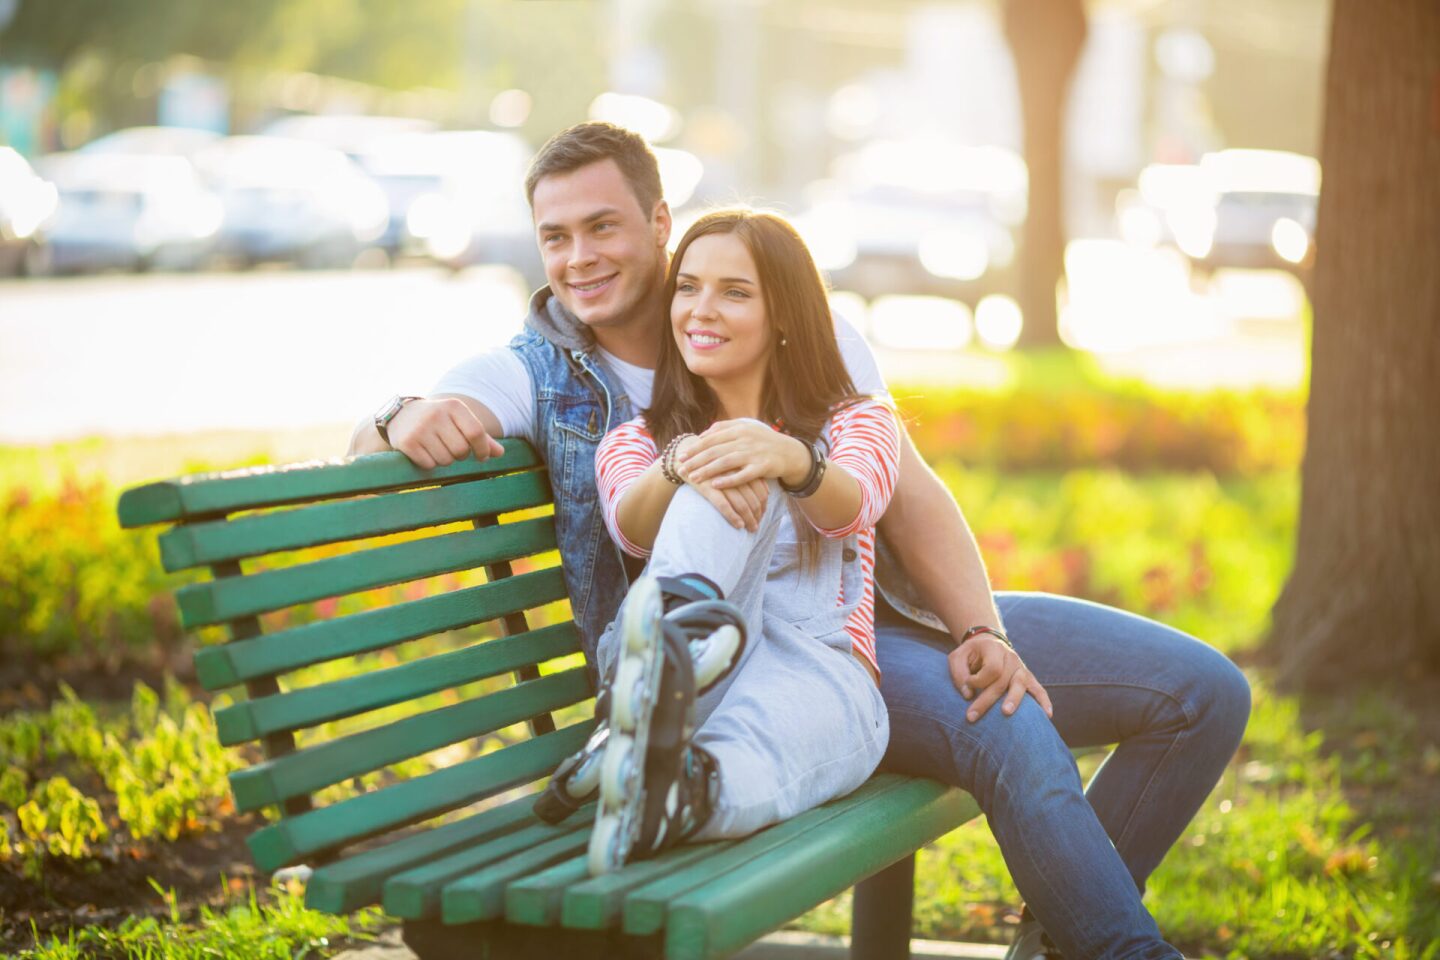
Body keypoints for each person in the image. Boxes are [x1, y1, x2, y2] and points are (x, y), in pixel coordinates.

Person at [349, 122, 1250, 959]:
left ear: (660, 222)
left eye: (603, 227)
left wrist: (982, 633)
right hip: (750, 656)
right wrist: (401, 414)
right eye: (556, 236)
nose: (579, 259)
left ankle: (1067, 935)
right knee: (1004, 731)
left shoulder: (800, 327)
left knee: (1201, 693)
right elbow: (390, 436)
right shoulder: (542, 373)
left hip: (874, 606)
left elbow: (909, 495)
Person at [542, 207, 898, 872]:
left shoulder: (857, 420)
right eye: (688, 287)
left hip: (819, 672)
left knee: (748, 756)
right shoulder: (639, 441)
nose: (701, 310)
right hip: (699, 661)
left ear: (785, 314)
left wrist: (792, 458)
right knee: (723, 465)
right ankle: (661, 666)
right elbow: (629, 522)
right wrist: (686, 462)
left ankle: (668, 793)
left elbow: (856, 504)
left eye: (734, 292)